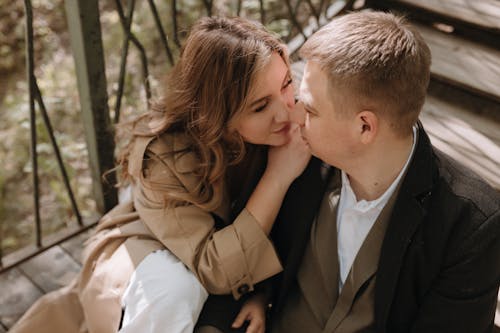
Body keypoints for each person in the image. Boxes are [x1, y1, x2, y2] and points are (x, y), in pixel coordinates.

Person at [11, 16, 310, 333]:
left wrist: (263, 294)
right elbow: (214, 269)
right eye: (260, 106)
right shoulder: (164, 156)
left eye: (287, 83)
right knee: (171, 292)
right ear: (216, 113)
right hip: (151, 247)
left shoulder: (302, 112)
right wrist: (277, 177)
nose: (286, 110)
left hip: (229, 263)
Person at [268, 11, 500, 333]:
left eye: (310, 109)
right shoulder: (296, 155)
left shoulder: (471, 226)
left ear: (365, 126)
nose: (293, 116)